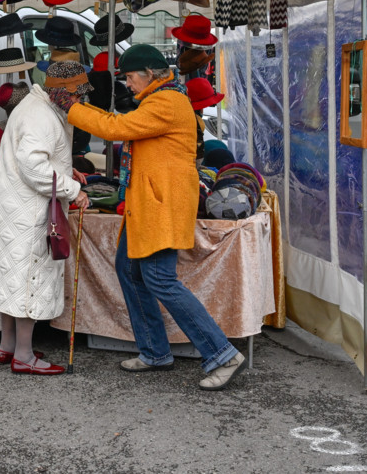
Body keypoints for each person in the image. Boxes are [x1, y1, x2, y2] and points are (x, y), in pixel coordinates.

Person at [65, 44, 246, 391]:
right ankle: (155, 352)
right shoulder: (163, 98)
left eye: (130, 77)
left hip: (160, 207)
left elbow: (116, 129)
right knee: (129, 270)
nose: (128, 84)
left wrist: (73, 108)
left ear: (149, 73)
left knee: (160, 279)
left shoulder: (167, 102)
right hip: (148, 205)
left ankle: (224, 354)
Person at [0, 61, 90, 375]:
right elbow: (34, 166)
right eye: (80, 95)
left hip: (12, 205)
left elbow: (34, 156)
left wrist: (65, 169)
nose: (82, 102)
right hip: (29, 210)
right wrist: (72, 188)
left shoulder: (34, 106)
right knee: (29, 281)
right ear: (66, 93)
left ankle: (7, 346)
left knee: (13, 277)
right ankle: (23, 355)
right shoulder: (42, 116)